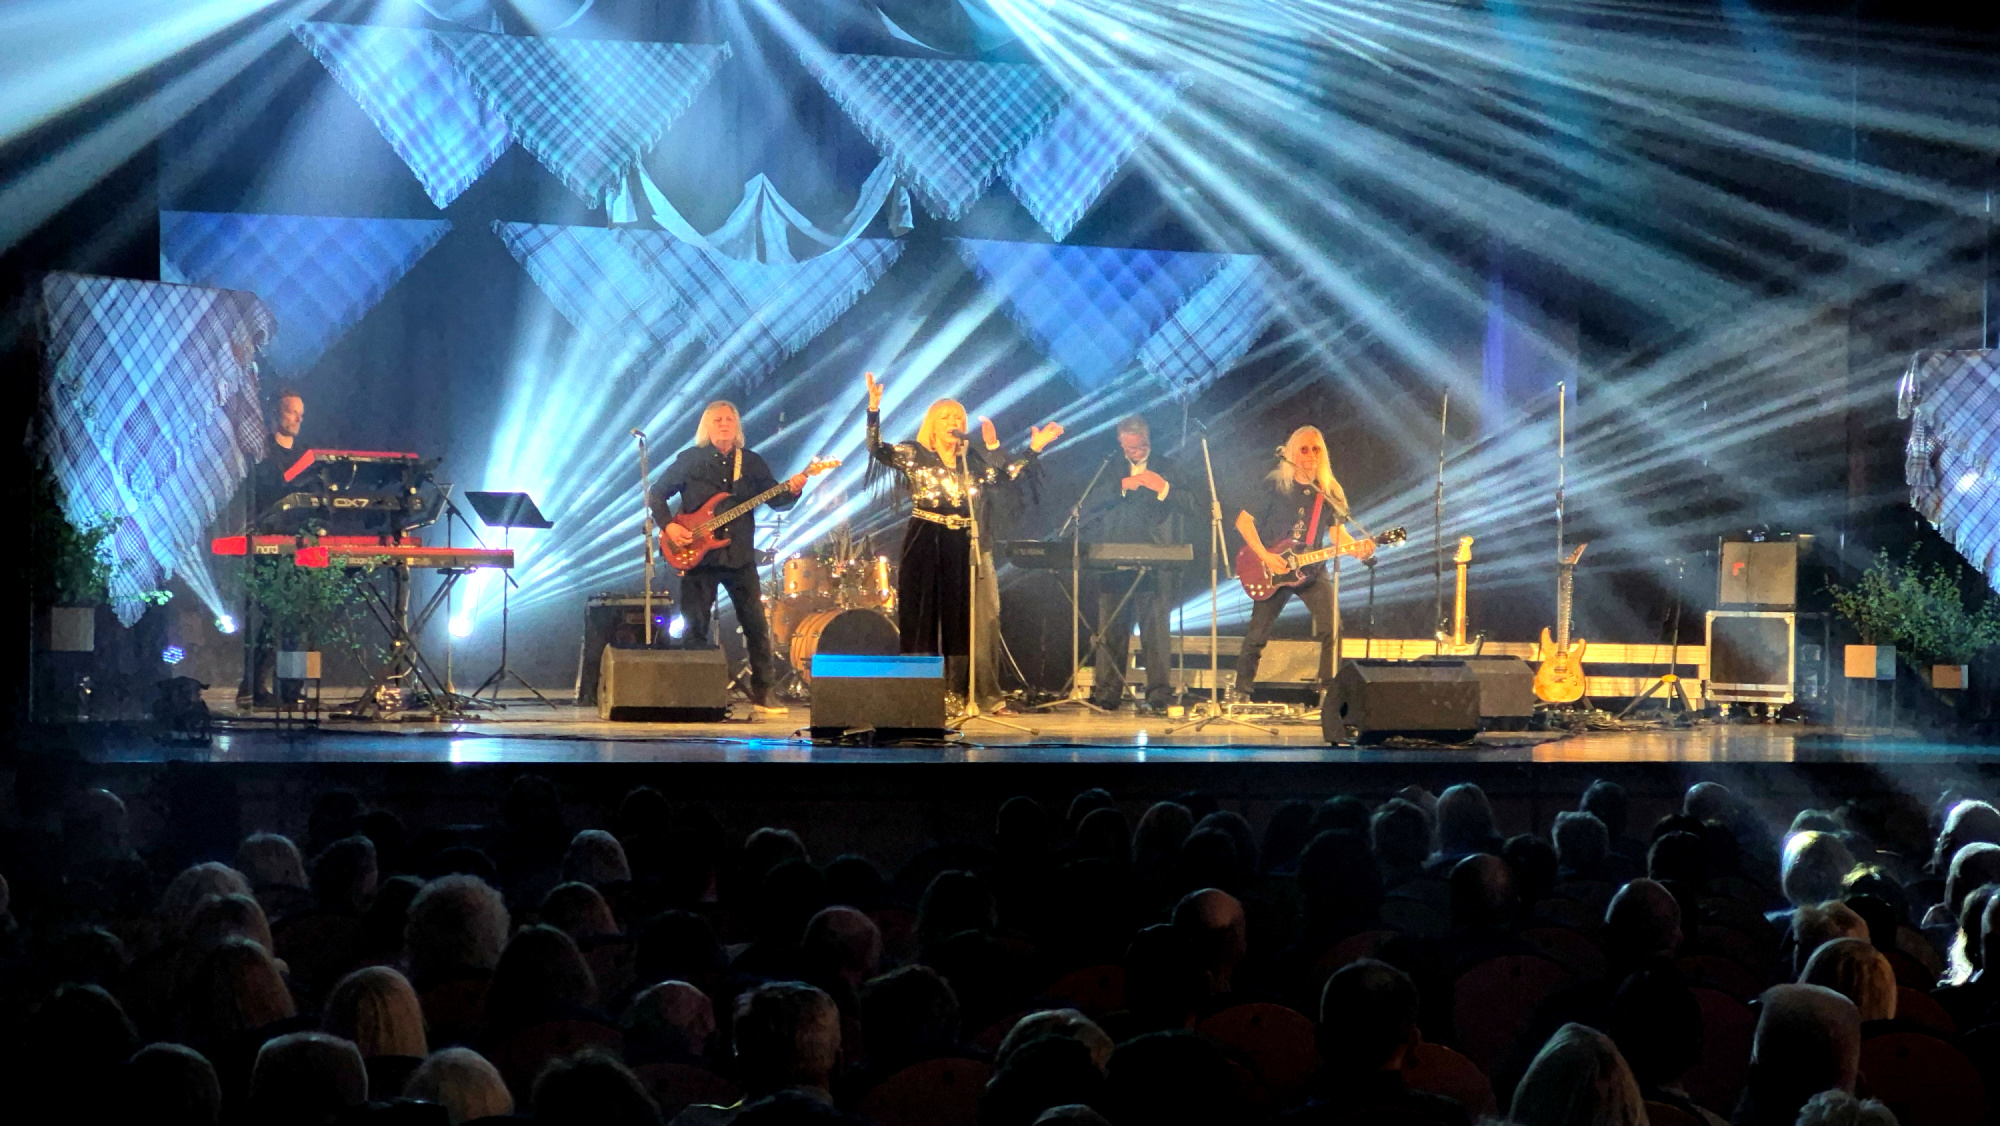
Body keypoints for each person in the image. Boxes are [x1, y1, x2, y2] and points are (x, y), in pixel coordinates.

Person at [863, 372, 1062, 711]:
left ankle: (956, 693)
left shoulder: (970, 462)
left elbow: (1004, 475)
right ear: (932, 426)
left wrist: (1034, 448)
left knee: (959, 618)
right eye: (945, 417)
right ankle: (919, 691)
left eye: (958, 418)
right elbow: (876, 449)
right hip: (925, 536)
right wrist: (873, 409)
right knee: (921, 614)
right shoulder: (914, 452)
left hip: (961, 540)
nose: (953, 423)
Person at [650, 401, 808, 717]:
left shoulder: (751, 462)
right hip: (699, 557)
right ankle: (696, 696)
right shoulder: (690, 459)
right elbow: (656, 494)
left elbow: (776, 500)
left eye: (729, 419)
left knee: (756, 625)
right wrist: (669, 526)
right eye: (717, 420)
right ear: (707, 427)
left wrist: (793, 490)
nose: (724, 424)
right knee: (695, 626)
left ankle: (764, 693)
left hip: (739, 556)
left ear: (737, 427)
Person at [1232, 425, 1374, 698]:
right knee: (1257, 635)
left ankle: (1328, 692)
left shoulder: (1329, 491)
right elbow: (1243, 522)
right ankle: (1241, 691)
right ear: (1291, 453)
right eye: (1304, 449)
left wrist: (1357, 550)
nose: (1311, 455)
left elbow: (1338, 534)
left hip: (1311, 569)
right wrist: (1266, 556)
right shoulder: (1274, 484)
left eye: (1316, 449)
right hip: (1274, 569)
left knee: (1332, 628)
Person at [1087, 416, 1192, 712]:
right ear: (1120, 443)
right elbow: (1090, 502)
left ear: (1148, 440)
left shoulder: (1168, 466)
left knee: (1155, 631)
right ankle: (1107, 692)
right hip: (1113, 555)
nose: (1135, 453)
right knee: (1112, 629)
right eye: (1129, 448)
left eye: (1140, 447)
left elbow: (1192, 504)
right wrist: (1123, 485)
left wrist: (1163, 488)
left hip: (1156, 556)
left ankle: (1158, 694)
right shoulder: (1110, 468)